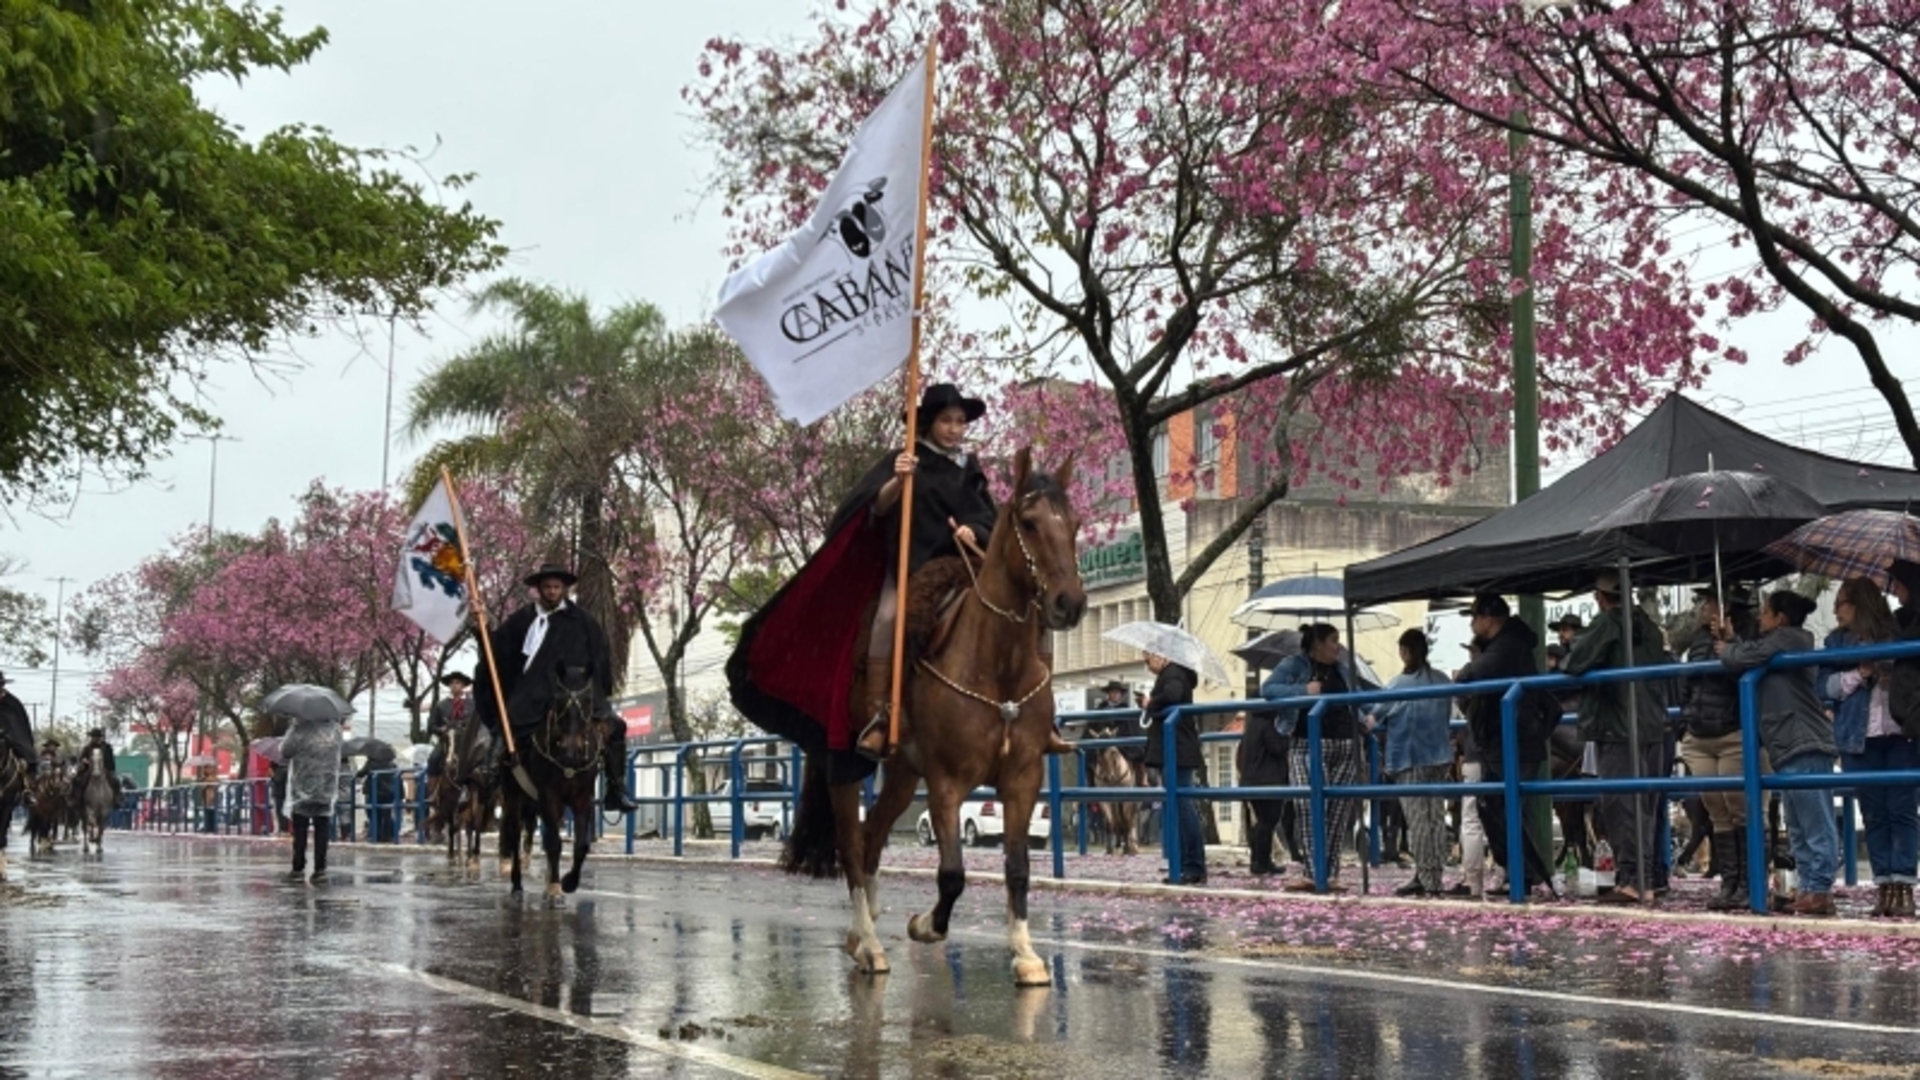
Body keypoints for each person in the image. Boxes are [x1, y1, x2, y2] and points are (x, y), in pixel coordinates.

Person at [478, 563, 637, 813]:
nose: (552, 592)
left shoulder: (583, 621)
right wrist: (483, 627)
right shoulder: (524, 618)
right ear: (539, 590)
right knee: (507, 720)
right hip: (532, 691)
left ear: (564, 589)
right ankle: (492, 773)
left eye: (556, 587)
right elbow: (499, 649)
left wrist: (592, 687)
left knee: (616, 726)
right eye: (547, 587)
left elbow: (599, 656)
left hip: (576, 690)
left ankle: (616, 788)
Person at [1717, 590, 1838, 917]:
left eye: (1766, 612)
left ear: (1780, 618)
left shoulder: (1790, 639)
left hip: (1803, 740)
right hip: (1786, 743)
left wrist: (1729, 648)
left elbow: (1741, 658)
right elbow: (1747, 656)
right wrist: (1734, 645)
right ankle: (1810, 885)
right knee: (1797, 823)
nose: (1760, 618)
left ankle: (1821, 887)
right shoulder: (1777, 644)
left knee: (1814, 819)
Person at [1564, 571, 1669, 905]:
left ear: (1600, 596)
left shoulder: (1608, 623)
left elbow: (1575, 662)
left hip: (1618, 725)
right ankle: (1646, 879)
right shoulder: (1650, 628)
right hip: (1652, 724)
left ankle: (1630, 880)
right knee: (1646, 806)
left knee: (1620, 804)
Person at [1822, 577, 1916, 918]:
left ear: (1860, 603)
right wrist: (1860, 672)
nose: (1836, 610)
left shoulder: (1900, 632)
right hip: (1857, 737)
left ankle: (1903, 884)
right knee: (1874, 812)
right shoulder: (1836, 641)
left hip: (1899, 730)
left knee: (1902, 808)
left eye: (1841, 603)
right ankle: (1883, 885)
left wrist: (1892, 672)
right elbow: (1825, 687)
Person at [1452, 595, 1556, 895]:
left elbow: (1479, 671)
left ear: (1488, 619)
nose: (1472, 624)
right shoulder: (1511, 643)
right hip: (1504, 741)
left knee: (1503, 807)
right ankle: (1520, 871)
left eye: (1474, 617)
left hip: (1514, 740)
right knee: (1495, 806)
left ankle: (1523, 873)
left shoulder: (1509, 645)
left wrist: (1464, 676)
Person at [1263, 624, 1362, 893]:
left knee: (1337, 813)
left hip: (1345, 744)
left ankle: (1329, 873)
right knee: (1308, 806)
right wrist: (1304, 691)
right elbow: (1269, 690)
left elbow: (1359, 699)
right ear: (1317, 643)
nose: (1338, 646)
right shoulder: (1294, 664)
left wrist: (1365, 719)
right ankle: (1313, 871)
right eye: (1333, 640)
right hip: (1308, 743)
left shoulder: (1343, 668)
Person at [1681, 587, 1756, 911]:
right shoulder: (1698, 640)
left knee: (1740, 806)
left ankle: (1749, 881)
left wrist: (1730, 643)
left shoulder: (1748, 635)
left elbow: (1745, 670)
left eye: (1709, 602)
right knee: (1715, 807)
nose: (1702, 608)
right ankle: (1729, 881)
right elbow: (1689, 680)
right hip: (1699, 730)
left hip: (1732, 728)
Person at [1366, 629, 1454, 897]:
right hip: (1439, 756)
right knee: (1436, 818)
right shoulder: (1442, 681)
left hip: (1408, 757)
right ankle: (1433, 873)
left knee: (1418, 821)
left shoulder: (1397, 685)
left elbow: (1372, 720)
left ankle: (1427, 877)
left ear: (1404, 652)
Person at [1141, 651, 1204, 885]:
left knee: (1182, 806)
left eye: (1148, 660)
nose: (1147, 666)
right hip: (1177, 747)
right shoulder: (1176, 673)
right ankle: (1187, 864)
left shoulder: (1174, 673)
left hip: (1177, 748)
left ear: (1161, 655)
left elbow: (1173, 695)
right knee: (1179, 805)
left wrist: (1151, 703)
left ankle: (1192, 865)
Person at [280, 703, 346, 885]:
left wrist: (292, 729)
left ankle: (298, 868)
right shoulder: (335, 730)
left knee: (300, 829)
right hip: (326, 786)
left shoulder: (299, 728)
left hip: (302, 785)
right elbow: (340, 751)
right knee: (322, 829)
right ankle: (320, 869)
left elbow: (285, 751)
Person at [1237, 702, 1290, 878]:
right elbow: (1277, 748)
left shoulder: (1251, 728)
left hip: (1252, 780)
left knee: (1262, 821)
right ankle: (1262, 861)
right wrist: (1287, 738)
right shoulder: (1268, 727)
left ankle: (1258, 860)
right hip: (1268, 780)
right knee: (1268, 821)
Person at [0, 671, 35, 773]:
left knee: (25, 764)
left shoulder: (13, 704)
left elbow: (19, 728)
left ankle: (26, 786)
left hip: (12, 744)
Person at [70, 727, 117, 802]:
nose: (95, 739)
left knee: (116, 781)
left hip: (104, 769)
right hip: (90, 770)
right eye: (93, 737)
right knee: (79, 782)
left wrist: (110, 769)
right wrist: (84, 761)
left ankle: (116, 798)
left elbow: (110, 760)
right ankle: (77, 799)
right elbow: (82, 758)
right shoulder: (87, 748)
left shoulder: (106, 747)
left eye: (97, 737)